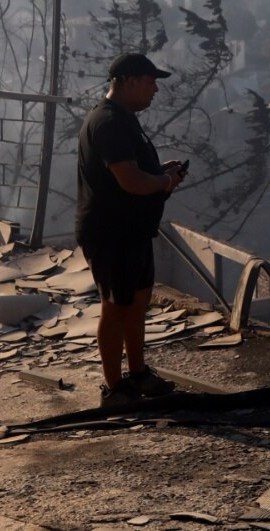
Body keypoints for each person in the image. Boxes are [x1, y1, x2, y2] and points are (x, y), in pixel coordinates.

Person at [76, 53, 188, 407]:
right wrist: (164, 180)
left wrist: (158, 171)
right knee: (116, 307)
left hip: (133, 230)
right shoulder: (109, 123)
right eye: (150, 81)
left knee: (137, 302)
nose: (155, 89)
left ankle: (138, 373)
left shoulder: (124, 120)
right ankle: (114, 388)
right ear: (128, 81)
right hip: (111, 233)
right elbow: (131, 181)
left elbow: (137, 171)